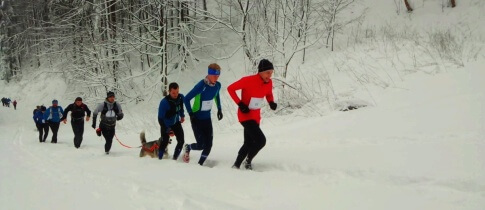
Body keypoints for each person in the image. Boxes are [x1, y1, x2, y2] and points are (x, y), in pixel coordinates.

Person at [227, 59, 278, 170]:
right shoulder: (248, 80)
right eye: (267, 72)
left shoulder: (269, 83)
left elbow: (269, 94)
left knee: (248, 142)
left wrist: (271, 102)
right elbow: (230, 88)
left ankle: (236, 165)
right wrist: (240, 104)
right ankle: (248, 161)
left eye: (271, 72)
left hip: (256, 117)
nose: (270, 75)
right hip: (245, 115)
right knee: (261, 141)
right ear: (261, 71)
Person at [183, 63, 223, 165]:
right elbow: (186, 99)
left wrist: (219, 109)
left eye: (218, 75)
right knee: (201, 145)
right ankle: (188, 147)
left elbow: (216, 95)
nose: (216, 77)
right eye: (214, 75)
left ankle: (200, 164)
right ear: (209, 74)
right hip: (197, 119)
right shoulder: (201, 86)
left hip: (207, 119)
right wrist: (191, 114)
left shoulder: (217, 85)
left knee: (209, 145)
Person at [158, 82, 185, 160]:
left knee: (181, 141)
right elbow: (160, 119)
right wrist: (168, 129)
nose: (176, 94)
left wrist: (182, 116)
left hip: (176, 123)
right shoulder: (164, 102)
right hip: (165, 124)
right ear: (169, 92)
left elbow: (181, 107)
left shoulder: (180, 97)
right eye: (173, 93)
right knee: (164, 142)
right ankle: (159, 159)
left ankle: (175, 158)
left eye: (177, 92)